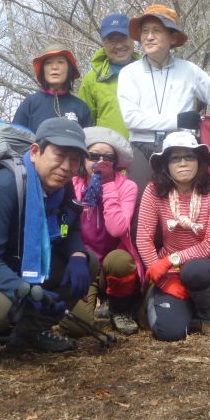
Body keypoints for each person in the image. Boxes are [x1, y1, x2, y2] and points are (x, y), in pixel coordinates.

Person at [0, 118, 99, 365]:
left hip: (19, 261)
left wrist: (78, 256)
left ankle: (29, 331)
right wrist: (28, 291)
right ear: (35, 151)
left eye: (74, 160)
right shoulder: (3, 187)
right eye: (59, 155)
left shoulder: (61, 185)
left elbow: (69, 228)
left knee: (88, 261)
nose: (66, 167)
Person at [117, 4, 210, 190]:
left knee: (182, 205)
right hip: (141, 147)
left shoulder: (189, 70)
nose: (149, 37)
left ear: (172, 37)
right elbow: (132, 119)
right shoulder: (129, 73)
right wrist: (178, 120)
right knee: (139, 203)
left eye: (156, 30)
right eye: (144, 31)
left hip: (181, 148)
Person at [136, 131, 210, 341]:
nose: (183, 163)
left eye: (189, 156)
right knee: (169, 332)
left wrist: (172, 259)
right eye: (175, 158)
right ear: (166, 164)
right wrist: (162, 280)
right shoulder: (154, 191)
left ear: (199, 161)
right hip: (170, 272)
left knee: (195, 270)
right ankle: (170, 304)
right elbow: (143, 237)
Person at [69, 126, 143, 335]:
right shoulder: (73, 184)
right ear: (84, 158)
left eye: (107, 157)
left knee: (120, 260)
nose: (100, 161)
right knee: (76, 326)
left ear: (115, 163)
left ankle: (120, 309)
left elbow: (116, 228)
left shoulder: (127, 187)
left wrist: (108, 187)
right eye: (94, 155)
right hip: (84, 262)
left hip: (112, 262)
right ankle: (94, 302)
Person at [77, 12, 141, 138]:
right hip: (109, 153)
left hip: (148, 151)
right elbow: (83, 123)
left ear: (133, 39)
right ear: (104, 44)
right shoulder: (92, 79)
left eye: (123, 38)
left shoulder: (148, 72)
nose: (119, 45)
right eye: (111, 41)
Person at [13, 44, 93, 132]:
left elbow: (88, 142)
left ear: (69, 69)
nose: (54, 67)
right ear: (43, 70)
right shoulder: (30, 104)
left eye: (60, 62)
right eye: (48, 63)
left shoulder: (81, 107)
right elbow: (14, 139)